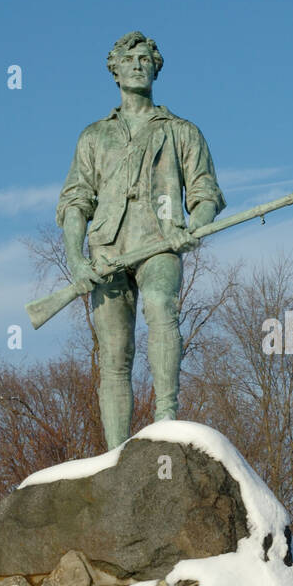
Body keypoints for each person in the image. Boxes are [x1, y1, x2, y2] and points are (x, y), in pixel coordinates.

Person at [56, 30, 225, 448]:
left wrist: (193, 226)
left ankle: (166, 417)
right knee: (114, 355)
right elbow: (75, 201)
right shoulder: (93, 136)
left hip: (160, 241)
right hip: (107, 249)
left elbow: (206, 193)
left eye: (146, 59)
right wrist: (76, 259)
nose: (137, 64)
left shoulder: (182, 131)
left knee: (161, 309)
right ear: (114, 69)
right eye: (129, 58)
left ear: (155, 68)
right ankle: (115, 454)